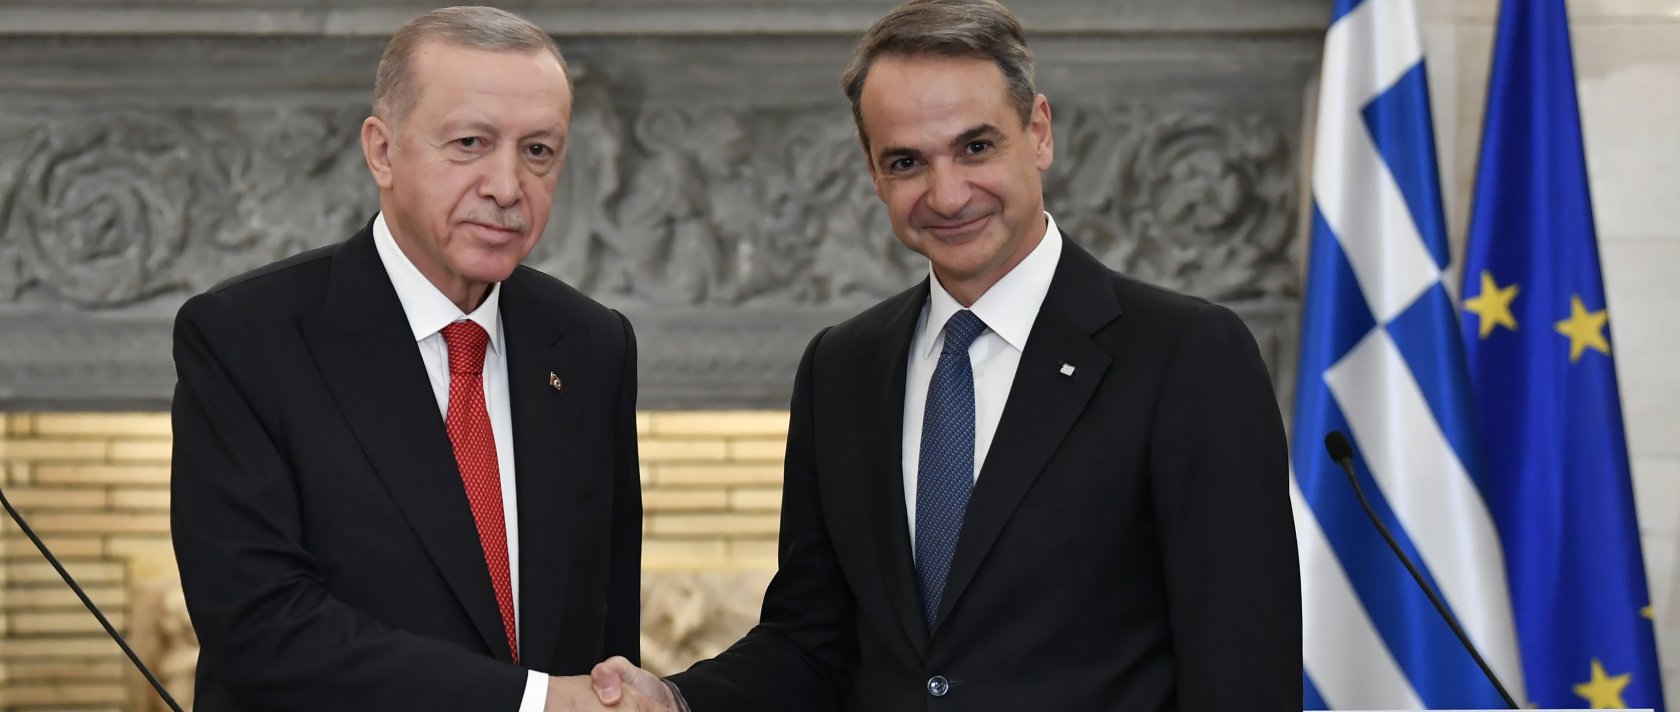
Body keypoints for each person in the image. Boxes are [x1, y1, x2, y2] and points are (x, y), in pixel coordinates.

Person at [588, 0, 1301, 709]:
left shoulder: (1185, 355)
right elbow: (814, 639)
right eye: (907, 162)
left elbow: (1242, 667)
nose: (948, 193)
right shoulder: (841, 368)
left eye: (976, 147)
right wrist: (678, 701)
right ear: (873, 172)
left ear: (1039, 132)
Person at [170, 7, 657, 711]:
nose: (507, 186)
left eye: (539, 151)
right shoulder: (247, 337)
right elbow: (260, 630)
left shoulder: (592, 343)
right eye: (470, 142)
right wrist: (535, 702)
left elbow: (607, 622)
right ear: (383, 151)